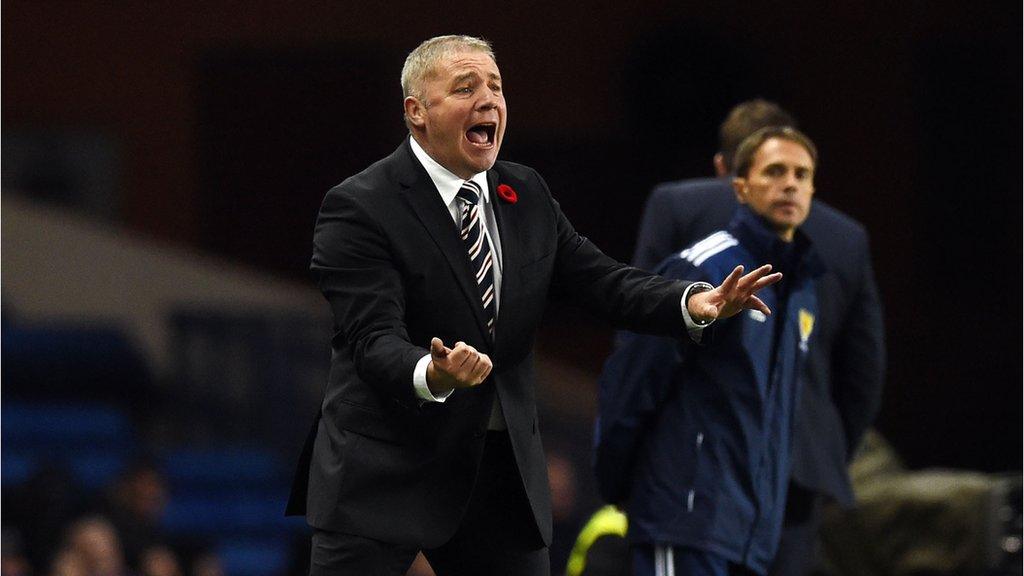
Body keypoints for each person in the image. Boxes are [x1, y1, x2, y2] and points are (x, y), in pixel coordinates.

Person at [285, 35, 781, 576]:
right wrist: (435, 372)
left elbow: (602, 282)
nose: (489, 100)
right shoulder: (359, 206)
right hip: (383, 474)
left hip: (497, 473)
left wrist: (692, 301)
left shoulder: (525, 193)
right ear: (417, 113)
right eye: (465, 87)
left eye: (496, 87)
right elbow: (370, 338)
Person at [629, 100, 885, 576]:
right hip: (799, 472)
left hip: (691, 472)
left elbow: (642, 333)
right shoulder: (847, 237)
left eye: (799, 174)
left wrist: (626, 460)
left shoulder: (675, 205)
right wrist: (821, 449)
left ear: (724, 171)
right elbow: (865, 370)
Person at [594, 126, 824, 575]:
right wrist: (618, 480)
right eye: (775, 171)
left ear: (814, 189)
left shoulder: (802, 289)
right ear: (740, 186)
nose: (790, 183)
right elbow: (633, 377)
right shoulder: (702, 268)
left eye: (802, 174)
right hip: (684, 519)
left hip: (750, 536)